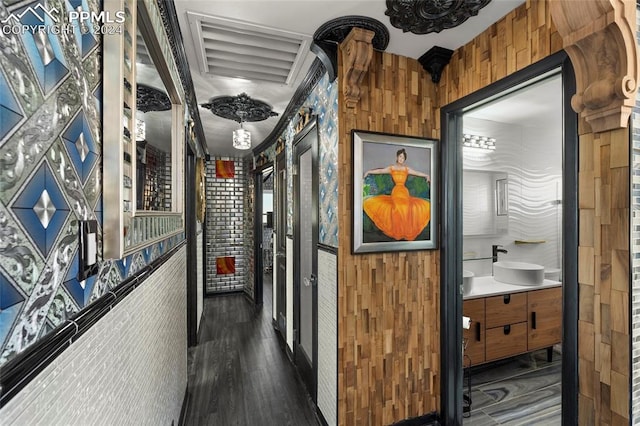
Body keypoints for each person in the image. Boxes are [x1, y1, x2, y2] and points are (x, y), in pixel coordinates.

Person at [363, 148, 431, 241]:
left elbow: (417, 173)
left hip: (404, 191)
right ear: (397, 157)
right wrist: (368, 171)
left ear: (404, 160)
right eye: (400, 157)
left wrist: (427, 175)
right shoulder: (392, 168)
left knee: (406, 206)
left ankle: (405, 231)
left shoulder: (406, 169)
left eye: (403, 158)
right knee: (397, 206)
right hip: (396, 191)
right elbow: (380, 171)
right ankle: (398, 231)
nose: (401, 159)